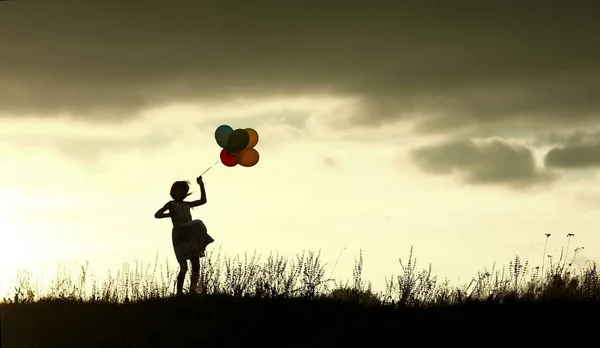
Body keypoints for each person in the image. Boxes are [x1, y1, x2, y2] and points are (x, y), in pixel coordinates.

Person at [154, 175, 214, 296]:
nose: (182, 194)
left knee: (196, 264)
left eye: (184, 192)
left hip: (190, 234)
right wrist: (170, 215)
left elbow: (203, 201)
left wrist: (201, 185)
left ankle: (192, 290)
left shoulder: (187, 204)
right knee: (184, 267)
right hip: (180, 234)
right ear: (173, 193)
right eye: (179, 191)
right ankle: (179, 292)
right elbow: (157, 214)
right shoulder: (171, 204)